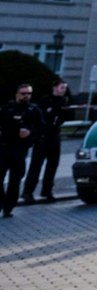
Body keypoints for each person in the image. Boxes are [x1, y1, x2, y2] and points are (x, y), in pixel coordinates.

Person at [23, 79, 69, 204]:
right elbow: (39, 117)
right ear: (55, 88)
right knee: (36, 165)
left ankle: (47, 190)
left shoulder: (64, 101)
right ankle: (28, 192)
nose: (63, 90)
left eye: (64, 88)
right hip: (42, 137)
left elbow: (66, 117)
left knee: (53, 165)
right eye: (61, 88)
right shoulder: (45, 101)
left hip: (55, 136)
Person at [0, 82, 40, 218]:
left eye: (29, 94)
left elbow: (41, 128)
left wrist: (30, 132)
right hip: (4, 147)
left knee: (15, 180)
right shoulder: (7, 108)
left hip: (20, 149)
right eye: (23, 93)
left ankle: (8, 207)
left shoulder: (34, 110)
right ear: (17, 94)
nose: (26, 96)